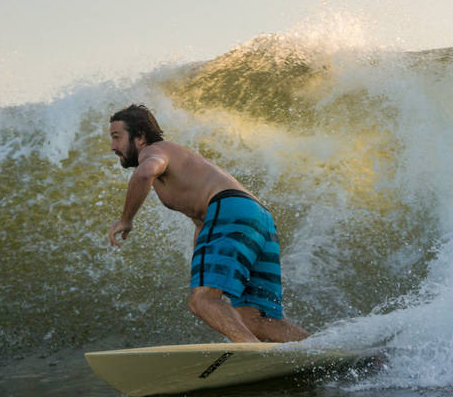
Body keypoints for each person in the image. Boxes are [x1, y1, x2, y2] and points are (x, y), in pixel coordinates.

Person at [107, 104, 309, 343]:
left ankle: (251, 351)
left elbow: (144, 174)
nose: (113, 147)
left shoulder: (152, 152)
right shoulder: (180, 161)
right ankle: (327, 353)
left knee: (202, 300)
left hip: (229, 210)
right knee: (255, 319)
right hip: (257, 217)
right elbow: (203, 223)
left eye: (117, 137)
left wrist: (126, 220)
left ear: (140, 137)